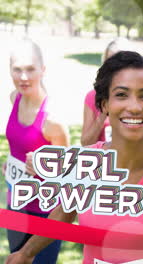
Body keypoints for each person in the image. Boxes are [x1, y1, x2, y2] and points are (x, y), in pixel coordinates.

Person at [5, 0, 143, 263]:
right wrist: (26, 253)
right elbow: (65, 212)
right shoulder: (88, 162)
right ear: (104, 105)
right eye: (121, 95)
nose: (134, 106)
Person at [4, 38, 70, 264]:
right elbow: (19, 146)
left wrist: (44, 167)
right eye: (17, 69)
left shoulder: (52, 120)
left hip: (44, 213)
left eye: (30, 69)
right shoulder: (15, 99)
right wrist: (11, 163)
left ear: (43, 70)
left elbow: (67, 176)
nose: (23, 77)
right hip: (16, 204)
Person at [81, 38, 131, 146]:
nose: (115, 67)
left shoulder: (137, 97)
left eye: (121, 62)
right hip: (102, 160)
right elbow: (85, 144)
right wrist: (103, 114)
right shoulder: (93, 96)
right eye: (110, 61)